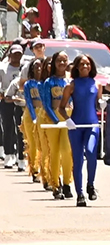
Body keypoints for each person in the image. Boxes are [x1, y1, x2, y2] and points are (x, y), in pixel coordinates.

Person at [59, 54, 101, 206]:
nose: (85, 67)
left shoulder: (97, 85)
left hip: (92, 125)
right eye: (82, 64)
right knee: (77, 159)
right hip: (76, 126)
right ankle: (80, 194)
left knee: (90, 152)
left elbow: (97, 105)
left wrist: (102, 104)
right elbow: (61, 108)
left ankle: (91, 185)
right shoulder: (71, 85)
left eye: (87, 64)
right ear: (76, 67)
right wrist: (68, 120)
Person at [40, 51, 74, 199]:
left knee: (67, 151)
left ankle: (67, 183)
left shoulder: (70, 82)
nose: (61, 63)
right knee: (53, 152)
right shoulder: (49, 82)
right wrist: (56, 120)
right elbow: (46, 104)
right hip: (51, 118)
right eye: (58, 60)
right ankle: (56, 184)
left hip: (68, 117)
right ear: (54, 63)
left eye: (64, 60)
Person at [22, 57, 47, 187]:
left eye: (40, 66)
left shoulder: (45, 83)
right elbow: (29, 102)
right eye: (35, 66)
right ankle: (34, 170)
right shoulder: (28, 84)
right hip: (31, 115)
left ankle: (45, 171)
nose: (38, 68)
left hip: (43, 114)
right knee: (32, 144)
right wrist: (33, 117)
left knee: (43, 144)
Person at [1, 43, 24, 169]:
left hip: (21, 101)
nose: (16, 57)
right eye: (14, 54)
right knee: (8, 128)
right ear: (10, 55)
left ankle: (21, 157)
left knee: (20, 130)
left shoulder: (24, 68)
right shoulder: (3, 68)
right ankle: (8, 154)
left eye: (19, 54)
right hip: (7, 100)